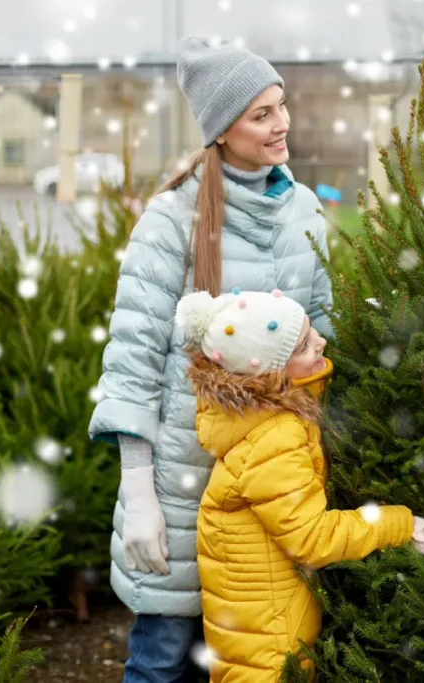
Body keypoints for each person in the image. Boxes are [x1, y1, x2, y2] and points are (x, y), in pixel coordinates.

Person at [88, 37, 338, 682]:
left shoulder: (304, 211)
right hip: (182, 478)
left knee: (240, 658)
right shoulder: (171, 221)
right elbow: (133, 361)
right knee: (164, 656)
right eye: (261, 114)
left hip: (271, 483)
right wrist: (138, 490)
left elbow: (324, 334)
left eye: (281, 106)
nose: (281, 124)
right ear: (221, 130)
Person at [173, 288, 424, 681]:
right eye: (303, 346)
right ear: (271, 374)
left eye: (311, 331)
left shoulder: (254, 419)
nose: (321, 342)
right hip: (271, 647)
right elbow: (311, 539)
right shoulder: (274, 436)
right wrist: (399, 524)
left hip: (259, 629)